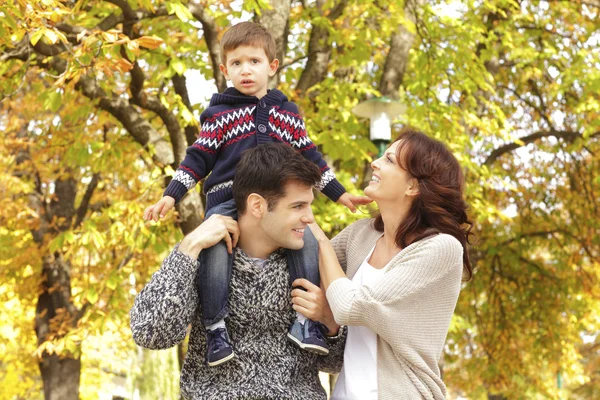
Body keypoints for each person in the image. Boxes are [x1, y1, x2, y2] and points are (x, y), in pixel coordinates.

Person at [142, 21, 370, 365]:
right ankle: (216, 327)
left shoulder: (287, 114)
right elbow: (197, 158)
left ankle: (306, 322)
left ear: (272, 66)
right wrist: (171, 195)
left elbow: (312, 158)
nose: (245, 70)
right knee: (217, 252)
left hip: (277, 206)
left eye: (254, 62)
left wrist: (340, 195)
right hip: (226, 200)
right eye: (236, 64)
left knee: (308, 244)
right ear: (224, 70)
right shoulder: (219, 114)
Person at [130, 143, 346, 399]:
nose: (310, 218)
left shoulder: (313, 260)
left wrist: (330, 322)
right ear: (257, 206)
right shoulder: (201, 257)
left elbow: (335, 364)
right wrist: (189, 245)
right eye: (298, 206)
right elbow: (151, 334)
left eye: (309, 205)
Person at [293, 128, 474, 399]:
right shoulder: (361, 234)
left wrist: (319, 238)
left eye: (389, 160)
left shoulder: (441, 249)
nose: (374, 162)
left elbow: (348, 305)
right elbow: (310, 273)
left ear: (413, 186)